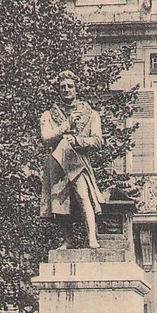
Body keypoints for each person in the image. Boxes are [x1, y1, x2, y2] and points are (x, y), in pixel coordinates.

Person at [40, 70, 104, 249]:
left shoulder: (91, 114)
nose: (66, 90)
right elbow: (46, 138)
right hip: (57, 161)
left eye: (70, 86)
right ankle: (67, 239)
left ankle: (92, 237)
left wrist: (78, 140)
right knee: (59, 200)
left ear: (77, 89)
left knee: (83, 197)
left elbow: (98, 141)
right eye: (62, 87)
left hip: (78, 161)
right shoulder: (48, 115)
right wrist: (65, 126)